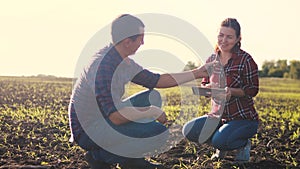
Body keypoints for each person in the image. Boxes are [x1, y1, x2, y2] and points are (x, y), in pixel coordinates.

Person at [68, 14, 209, 169]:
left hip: (105, 118)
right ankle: (100, 157)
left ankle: (131, 160)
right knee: (158, 132)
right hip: (89, 131)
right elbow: (115, 117)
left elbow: (157, 80)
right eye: (140, 38)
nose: (143, 42)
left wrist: (198, 73)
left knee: (152, 96)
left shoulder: (123, 60)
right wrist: (151, 112)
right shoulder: (102, 66)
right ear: (127, 42)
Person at [182, 18, 259, 162]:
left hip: (242, 118)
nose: (224, 40)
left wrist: (232, 91)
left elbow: (252, 89)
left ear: (238, 39)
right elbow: (205, 82)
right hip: (218, 116)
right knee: (189, 130)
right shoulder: (212, 59)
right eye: (221, 35)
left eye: (229, 37)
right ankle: (222, 139)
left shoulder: (245, 60)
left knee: (220, 140)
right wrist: (207, 88)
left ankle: (242, 144)